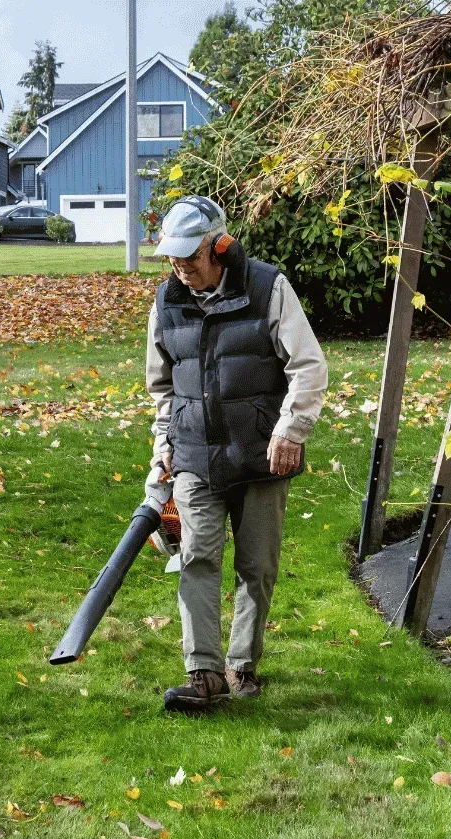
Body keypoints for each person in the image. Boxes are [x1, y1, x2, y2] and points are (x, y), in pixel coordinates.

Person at [143, 196, 328, 712]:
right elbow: (163, 387)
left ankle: (242, 665)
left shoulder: (268, 288)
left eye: (191, 256)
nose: (181, 267)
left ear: (220, 246)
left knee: (257, 566)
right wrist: (164, 447)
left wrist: (292, 430)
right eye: (173, 257)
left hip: (262, 454)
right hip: (195, 455)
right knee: (195, 557)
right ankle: (203, 673)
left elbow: (308, 366)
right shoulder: (167, 302)